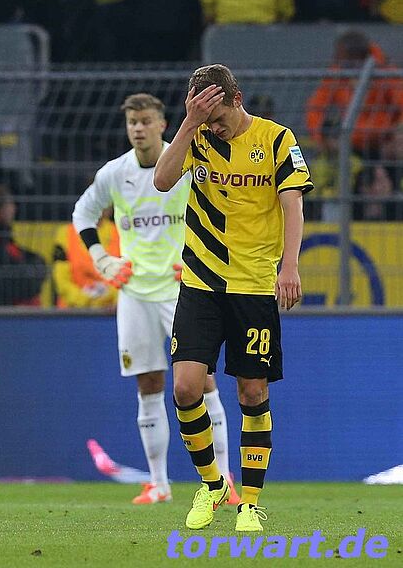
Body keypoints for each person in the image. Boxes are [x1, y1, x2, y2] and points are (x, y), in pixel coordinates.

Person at [154, 64, 313, 531]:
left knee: (252, 391)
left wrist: (290, 267)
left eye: (218, 117)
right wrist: (189, 124)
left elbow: (293, 205)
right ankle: (212, 486)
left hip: (253, 285)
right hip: (200, 281)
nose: (215, 127)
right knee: (185, 388)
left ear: (236, 98)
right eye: (206, 119)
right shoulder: (197, 136)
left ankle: (251, 503)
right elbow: (162, 181)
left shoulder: (277, 139)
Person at [72, 93, 239, 504]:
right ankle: (159, 484)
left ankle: (224, 480)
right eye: (133, 122)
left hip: (185, 291)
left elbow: (223, 208)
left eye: (145, 121)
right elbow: (83, 213)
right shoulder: (115, 173)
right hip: (135, 294)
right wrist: (102, 259)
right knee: (148, 384)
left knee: (203, 382)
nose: (138, 129)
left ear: (163, 124)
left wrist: (201, 257)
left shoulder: (186, 164)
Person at [306, 30, 403, 158]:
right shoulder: (337, 73)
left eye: (340, 56)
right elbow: (316, 107)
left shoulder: (387, 72)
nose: (335, 60)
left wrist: (398, 134)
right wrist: (318, 138)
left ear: (355, 57)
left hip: (383, 141)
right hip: (349, 141)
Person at [0, 184, 47, 306]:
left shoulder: (0, 242)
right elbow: (25, 285)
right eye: (9, 205)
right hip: (5, 312)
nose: (14, 209)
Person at [52, 209, 119, 308]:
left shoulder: (120, 233)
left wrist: (109, 297)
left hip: (111, 310)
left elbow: (127, 275)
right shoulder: (66, 233)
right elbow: (61, 279)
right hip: (71, 310)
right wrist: (85, 300)